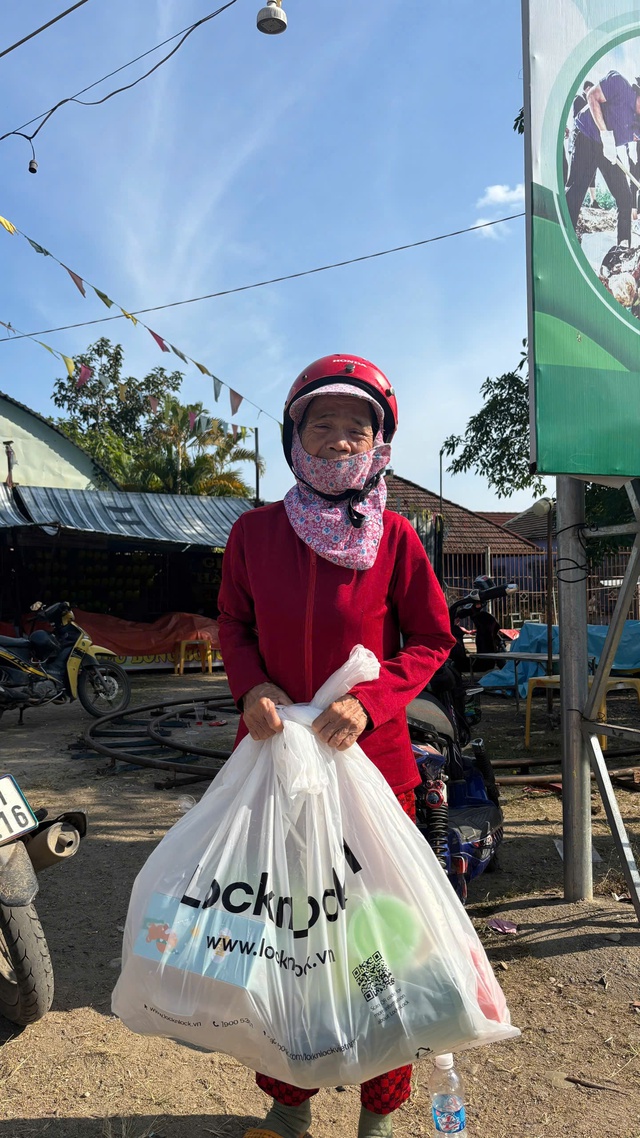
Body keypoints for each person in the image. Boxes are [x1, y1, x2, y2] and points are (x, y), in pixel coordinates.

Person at [217, 354, 455, 1138]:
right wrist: (250, 686)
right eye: (323, 425)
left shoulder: (396, 540)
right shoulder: (252, 534)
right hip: (281, 777)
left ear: (379, 445)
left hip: (376, 777)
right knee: (287, 943)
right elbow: (235, 626)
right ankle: (288, 1107)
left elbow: (431, 637)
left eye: (359, 428)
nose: (341, 440)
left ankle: (379, 1113)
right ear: (295, 438)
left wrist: (372, 701)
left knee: (380, 948)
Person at [566, 69, 640, 247]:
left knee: (625, 196)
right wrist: (605, 135)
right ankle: (564, 238)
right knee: (578, 188)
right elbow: (592, 96)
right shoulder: (618, 83)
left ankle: (622, 247)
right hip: (585, 135)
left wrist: (609, 144)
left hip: (608, 150)